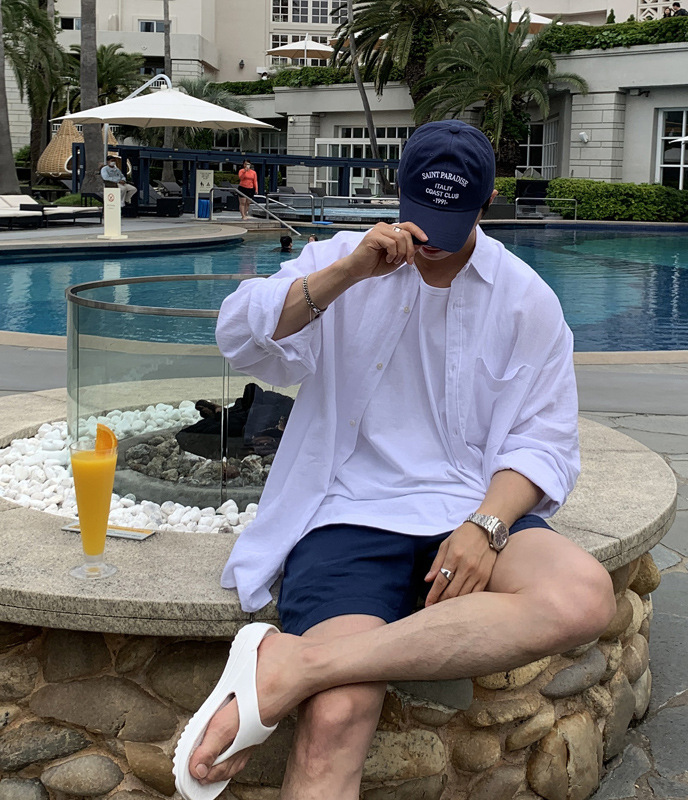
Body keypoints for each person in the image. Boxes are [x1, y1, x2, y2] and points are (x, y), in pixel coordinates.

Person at [179, 120, 616, 800]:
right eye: (422, 215)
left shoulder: (525, 297)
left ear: (488, 200)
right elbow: (240, 335)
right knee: (336, 715)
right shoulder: (345, 258)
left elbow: (543, 439)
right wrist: (347, 273)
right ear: (397, 190)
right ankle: (314, 673)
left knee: (583, 595)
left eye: (452, 219)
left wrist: (487, 526)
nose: (432, 240)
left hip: (470, 505)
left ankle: (296, 664)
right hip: (349, 510)